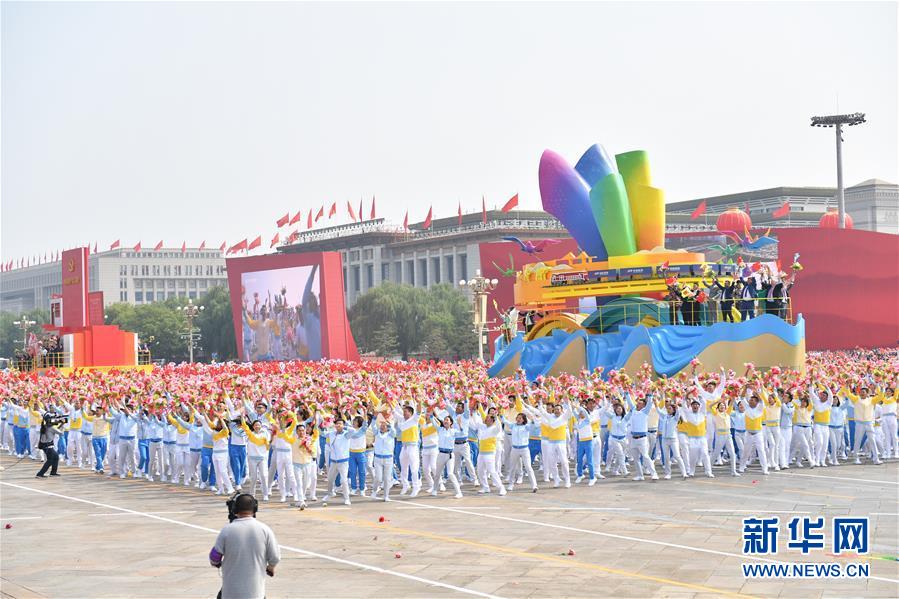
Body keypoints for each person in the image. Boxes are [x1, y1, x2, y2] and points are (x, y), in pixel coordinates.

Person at [210, 494, 280, 599]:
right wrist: (271, 567)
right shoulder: (265, 530)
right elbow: (275, 557)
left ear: (235, 509)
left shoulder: (227, 530)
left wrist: (216, 563)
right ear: (255, 509)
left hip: (230, 593)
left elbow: (214, 556)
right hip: (255, 593)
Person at [36, 413, 63, 478]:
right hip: (48, 446)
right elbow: (60, 433)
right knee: (50, 460)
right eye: (52, 419)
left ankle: (53, 472)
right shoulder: (51, 427)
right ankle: (40, 474)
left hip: (45, 446)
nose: (54, 420)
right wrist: (62, 424)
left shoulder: (44, 426)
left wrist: (59, 424)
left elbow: (54, 430)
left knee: (56, 457)